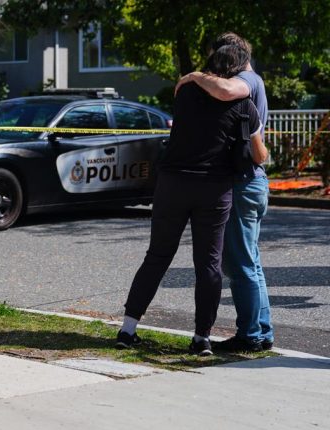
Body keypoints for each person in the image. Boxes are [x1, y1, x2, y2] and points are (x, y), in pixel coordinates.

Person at [116, 44, 263, 356]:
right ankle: (201, 338)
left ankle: (128, 329)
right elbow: (256, 151)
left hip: (172, 183)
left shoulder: (184, 92)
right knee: (208, 264)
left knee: (157, 256)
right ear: (236, 72)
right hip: (214, 188)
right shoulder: (245, 106)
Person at [176, 33, 273, 352]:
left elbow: (228, 90)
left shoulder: (245, 81)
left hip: (243, 182)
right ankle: (262, 330)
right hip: (252, 180)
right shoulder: (252, 80)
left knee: (240, 262)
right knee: (251, 261)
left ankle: (251, 335)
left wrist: (193, 76)